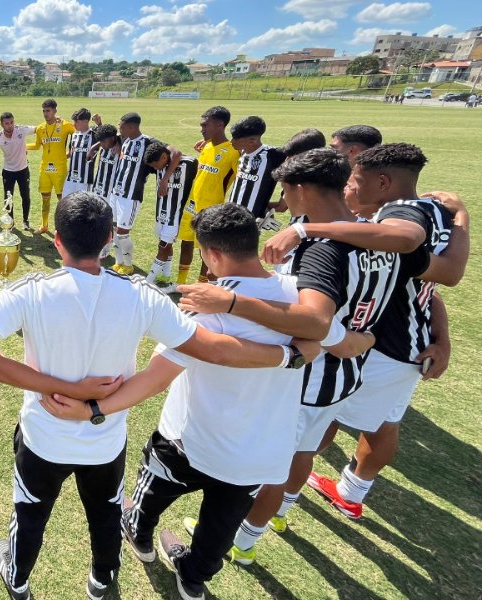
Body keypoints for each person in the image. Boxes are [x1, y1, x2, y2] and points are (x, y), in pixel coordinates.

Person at [0, 192, 318, 600]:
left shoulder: (31, 291)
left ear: (56, 240)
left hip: (43, 436)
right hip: (105, 438)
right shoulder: (142, 295)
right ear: (108, 241)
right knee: (105, 513)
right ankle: (102, 579)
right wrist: (287, 356)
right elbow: (214, 348)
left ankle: (17, 578)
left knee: (31, 512)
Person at [44, 204, 320, 600]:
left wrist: (95, 409)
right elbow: (337, 338)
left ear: (212, 254)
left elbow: (155, 378)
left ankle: (139, 537)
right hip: (257, 454)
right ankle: (194, 577)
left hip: (189, 441)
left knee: (146, 501)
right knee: (220, 526)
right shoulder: (303, 300)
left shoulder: (204, 309)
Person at [179, 148, 428, 565]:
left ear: (299, 188)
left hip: (307, 375)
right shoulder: (373, 234)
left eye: (285, 190)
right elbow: (418, 275)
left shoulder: (325, 248)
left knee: (273, 460)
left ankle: (242, 539)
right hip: (345, 375)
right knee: (301, 452)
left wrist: (230, 301)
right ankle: (267, 522)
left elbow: (313, 321)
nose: (285, 199)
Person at [261, 145, 468, 521]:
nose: (349, 188)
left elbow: (317, 321)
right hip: (389, 351)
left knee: (300, 438)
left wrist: (302, 229)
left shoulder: (397, 219)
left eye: (355, 179)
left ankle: (260, 520)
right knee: (336, 429)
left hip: (368, 351)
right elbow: (440, 278)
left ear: (383, 182)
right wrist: (461, 218)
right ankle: (329, 498)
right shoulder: (416, 221)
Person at [106, 113, 181, 276]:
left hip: (131, 196)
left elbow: (176, 153)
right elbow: (115, 137)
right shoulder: (125, 139)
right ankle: (118, 263)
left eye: (122, 126)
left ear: (132, 127)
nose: (119, 128)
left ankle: (128, 265)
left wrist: (165, 180)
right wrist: (118, 143)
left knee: (122, 233)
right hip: (116, 193)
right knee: (114, 229)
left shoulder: (148, 142)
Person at [176, 106, 239, 283]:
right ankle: (180, 283)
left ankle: (202, 284)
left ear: (220, 125)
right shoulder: (207, 146)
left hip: (211, 208)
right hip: (192, 204)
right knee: (186, 242)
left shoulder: (233, 152)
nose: (202, 129)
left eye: (205, 125)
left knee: (207, 248)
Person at [145, 141, 197, 291]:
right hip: (162, 213)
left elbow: (179, 154)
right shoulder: (161, 164)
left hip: (177, 216)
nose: (155, 169)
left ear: (163, 157)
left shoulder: (190, 164)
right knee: (164, 245)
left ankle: (148, 282)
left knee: (163, 247)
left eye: (156, 165)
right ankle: (165, 276)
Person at [227, 116, 285, 229]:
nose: (231, 141)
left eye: (236, 138)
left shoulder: (273, 155)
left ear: (252, 141)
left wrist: (283, 201)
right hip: (230, 215)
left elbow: (299, 163)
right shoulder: (242, 151)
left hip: (250, 223)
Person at [28, 98, 75, 234]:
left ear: (55, 111)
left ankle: (61, 227)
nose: (45, 113)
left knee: (62, 200)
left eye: (48, 111)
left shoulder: (65, 125)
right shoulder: (41, 128)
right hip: (45, 169)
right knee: (45, 197)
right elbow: (37, 145)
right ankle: (44, 226)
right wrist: (21, 146)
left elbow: (79, 136)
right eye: (43, 111)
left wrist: (71, 152)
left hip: (60, 169)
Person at [0, 112, 36, 228]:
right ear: (2, 124)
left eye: (11, 122)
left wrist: (55, 120)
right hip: (8, 172)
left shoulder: (21, 130)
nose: (10, 125)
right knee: (8, 198)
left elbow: (38, 128)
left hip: (23, 170)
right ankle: (9, 222)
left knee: (25, 196)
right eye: (7, 123)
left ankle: (25, 221)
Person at [89, 124, 122, 260]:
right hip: (98, 187)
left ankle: (105, 249)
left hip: (111, 191)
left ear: (114, 138)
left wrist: (119, 143)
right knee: (97, 217)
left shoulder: (120, 148)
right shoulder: (104, 147)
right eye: (100, 141)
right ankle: (98, 244)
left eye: (103, 141)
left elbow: (122, 135)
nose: (101, 144)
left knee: (108, 220)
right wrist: (94, 147)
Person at [61, 108, 99, 198]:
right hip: (70, 178)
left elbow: (109, 136)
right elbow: (70, 153)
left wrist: (99, 124)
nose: (74, 124)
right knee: (66, 202)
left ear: (85, 121)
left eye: (76, 122)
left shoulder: (94, 135)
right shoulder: (74, 135)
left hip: (84, 180)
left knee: (83, 206)